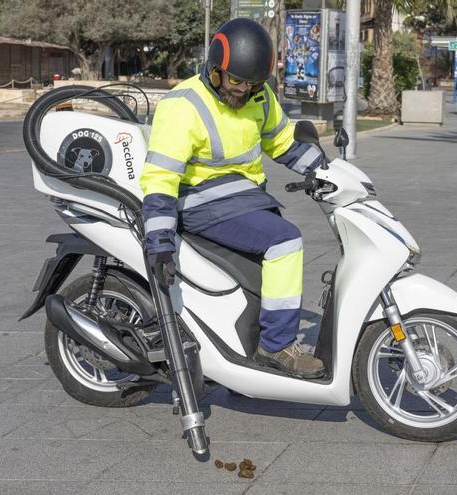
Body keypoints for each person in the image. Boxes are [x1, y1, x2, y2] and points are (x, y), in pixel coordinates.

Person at [139, 18, 326, 378]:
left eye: (252, 83)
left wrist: (324, 171)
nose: (242, 90)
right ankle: (277, 348)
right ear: (215, 70)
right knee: (286, 242)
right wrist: (158, 241)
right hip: (200, 204)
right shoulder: (183, 106)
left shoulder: (259, 96)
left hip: (246, 201)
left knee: (272, 256)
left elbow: (283, 142)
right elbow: (161, 178)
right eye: (235, 80)